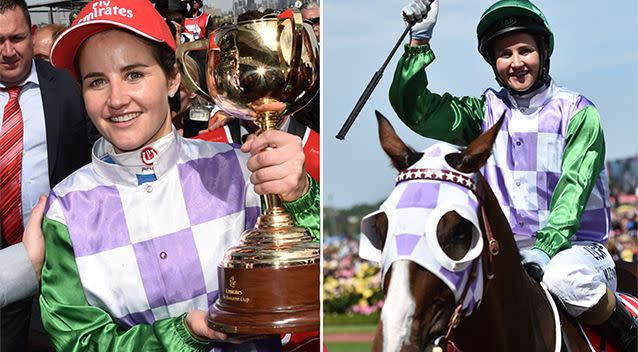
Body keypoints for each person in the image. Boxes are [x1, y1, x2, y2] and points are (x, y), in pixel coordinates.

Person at [41, 0, 319, 351]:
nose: (116, 99)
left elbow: (327, 277)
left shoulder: (242, 169)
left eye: (134, 74)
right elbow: (78, 342)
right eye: (97, 81)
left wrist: (303, 194)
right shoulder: (65, 209)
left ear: (173, 79)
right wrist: (181, 334)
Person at [390, 0, 636, 350]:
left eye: (525, 50)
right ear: (494, 63)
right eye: (505, 54)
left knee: (564, 279)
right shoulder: (483, 112)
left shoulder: (579, 112)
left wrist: (546, 249)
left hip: (575, 249)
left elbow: (574, 188)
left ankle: (629, 333)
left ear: (543, 52)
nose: (516, 63)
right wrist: (418, 43)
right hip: (504, 253)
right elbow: (417, 111)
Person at [0, 0, 96, 350]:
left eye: (17, 38)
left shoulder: (70, 88)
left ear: (34, 34)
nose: (9, 51)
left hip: (63, 253)